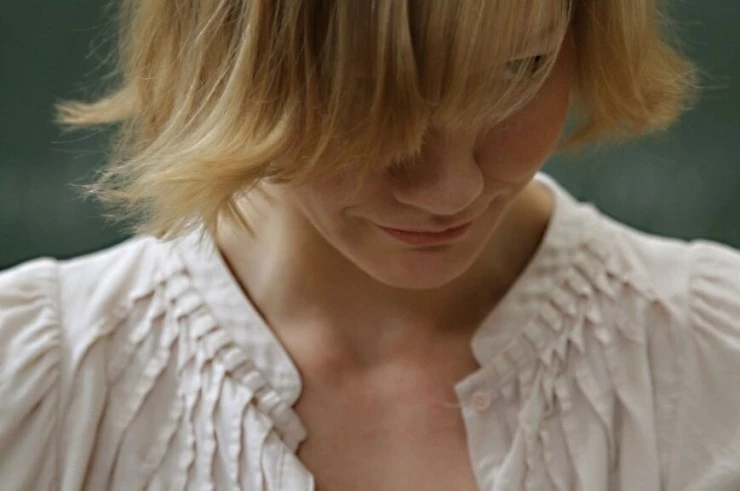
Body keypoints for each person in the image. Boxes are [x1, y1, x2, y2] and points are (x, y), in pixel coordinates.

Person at [1, 0, 739, 489]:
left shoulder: (712, 364)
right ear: (228, 67)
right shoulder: (41, 390)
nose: (449, 190)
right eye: (365, 95)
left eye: (520, 71)